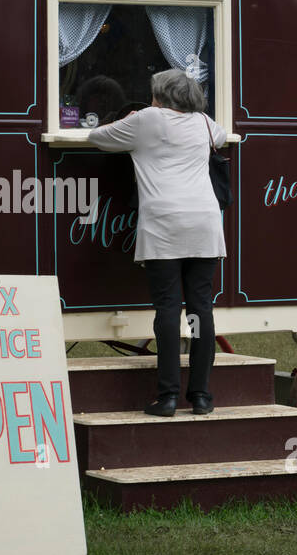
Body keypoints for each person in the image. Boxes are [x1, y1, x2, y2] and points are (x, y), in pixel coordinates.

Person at [86, 68, 227, 417]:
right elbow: (221, 138)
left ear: (160, 96)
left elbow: (96, 137)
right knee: (199, 311)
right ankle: (201, 395)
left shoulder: (147, 119)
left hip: (165, 226)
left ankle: (167, 396)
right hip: (204, 224)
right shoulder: (204, 123)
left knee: (167, 310)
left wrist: (130, 118)